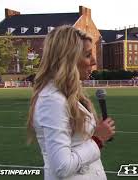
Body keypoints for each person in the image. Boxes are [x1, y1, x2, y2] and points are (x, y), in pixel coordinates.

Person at [27, 25, 115, 180]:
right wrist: (98, 139)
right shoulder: (52, 100)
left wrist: (95, 133)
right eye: (88, 55)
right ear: (69, 58)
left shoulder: (68, 95)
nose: (94, 62)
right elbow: (62, 166)